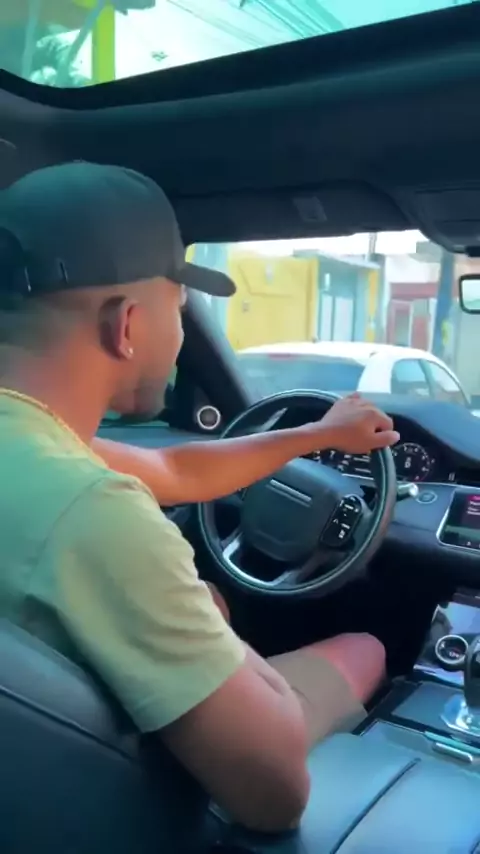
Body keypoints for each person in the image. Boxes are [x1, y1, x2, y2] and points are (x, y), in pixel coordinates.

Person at [0, 162, 399, 833]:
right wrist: (219, 633)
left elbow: (174, 468)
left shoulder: (37, 449)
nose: (182, 334)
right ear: (127, 326)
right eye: (180, 309)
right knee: (366, 648)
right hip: (109, 810)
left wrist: (318, 435)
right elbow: (274, 795)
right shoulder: (95, 510)